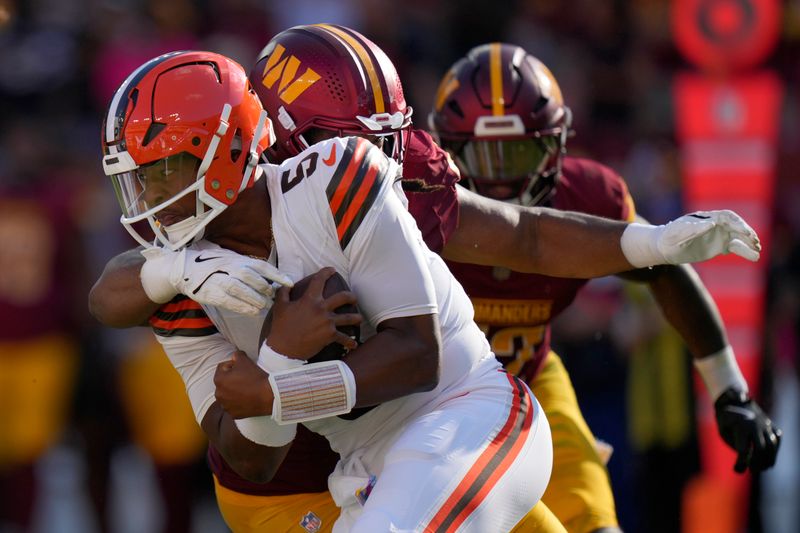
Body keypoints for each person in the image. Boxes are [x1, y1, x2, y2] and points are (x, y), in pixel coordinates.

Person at [89, 26, 766, 533]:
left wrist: (647, 243)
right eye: (348, 136)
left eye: (385, 138)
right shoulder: (184, 266)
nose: (384, 160)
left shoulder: (364, 175)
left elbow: (518, 238)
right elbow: (115, 297)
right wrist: (187, 280)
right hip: (310, 479)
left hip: (466, 412)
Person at [97, 49, 562, 532]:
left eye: (160, 173)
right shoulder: (185, 281)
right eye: (136, 181)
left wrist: (277, 390)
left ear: (228, 149)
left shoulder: (332, 178)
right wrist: (279, 356)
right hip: (364, 472)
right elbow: (252, 459)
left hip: (466, 417)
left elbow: (419, 356)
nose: (150, 201)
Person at [426, 42, 783, 532]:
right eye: (484, 156)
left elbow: (664, 270)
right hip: (429, 404)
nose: (503, 180)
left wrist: (729, 390)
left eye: (519, 151)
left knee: (598, 525)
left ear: (556, 146)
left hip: (532, 383)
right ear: (446, 150)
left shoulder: (588, 196)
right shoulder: (415, 208)